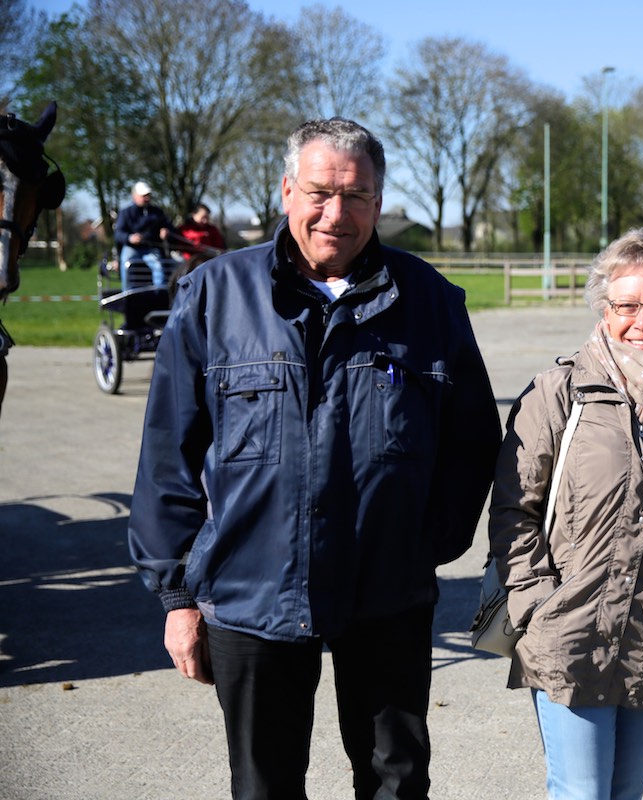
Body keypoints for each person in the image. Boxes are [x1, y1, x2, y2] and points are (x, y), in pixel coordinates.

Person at [128, 117, 501, 800]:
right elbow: (166, 456)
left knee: (395, 781)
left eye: (356, 196)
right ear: (286, 192)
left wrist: (428, 544)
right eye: (320, 193)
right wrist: (177, 595)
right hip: (250, 591)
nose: (337, 214)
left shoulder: (430, 302)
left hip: (387, 591)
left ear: (378, 202)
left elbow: (472, 440)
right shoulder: (214, 295)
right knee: (264, 786)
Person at [489, 227, 643, 800]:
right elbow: (515, 509)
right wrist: (536, 605)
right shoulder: (558, 392)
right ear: (604, 308)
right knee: (582, 794)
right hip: (568, 633)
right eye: (627, 305)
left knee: (626, 794)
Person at [113, 180, 175, 289]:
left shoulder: (157, 212)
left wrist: (166, 231)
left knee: (158, 266)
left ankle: (159, 293)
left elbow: (170, 227)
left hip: (150, 248)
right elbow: (118, 234)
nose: (147, 198)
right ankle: (127, 292)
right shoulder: (125, 213)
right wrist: (130, 238)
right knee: (126, 263)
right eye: (143, 196)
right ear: (134, 196)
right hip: (131, 248)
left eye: (148, 195)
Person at [169, 202, 227, 300]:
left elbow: (219, 247)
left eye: (207, 218)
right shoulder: (184, 229)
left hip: (208, 261)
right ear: (194, 215)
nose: (205, 221)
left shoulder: (212, 230)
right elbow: (177, 246)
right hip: (188, 263)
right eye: (203, 217)